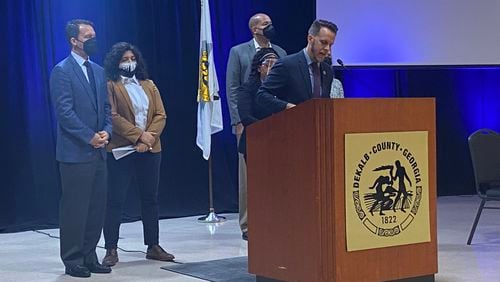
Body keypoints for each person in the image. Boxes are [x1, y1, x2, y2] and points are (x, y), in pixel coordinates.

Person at [101, 42, 173, 266]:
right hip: (123, 150)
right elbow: (113, 116)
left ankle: (153, 245)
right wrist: (138, 137)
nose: (129, 62)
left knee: (150, 198)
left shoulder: (148, 84)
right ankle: (111, 248)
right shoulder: (111, 85)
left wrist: (149, 137)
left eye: (132, 58)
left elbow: (160, 114)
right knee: (115, 200)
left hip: (151, 150)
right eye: (125, 59)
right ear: (116, 62)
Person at [49, 19, 112, 278]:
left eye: (94, 35)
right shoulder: (62, 71)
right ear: (74, 40)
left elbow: (106, 108)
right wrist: (89, 137)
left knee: (97, 207)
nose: (93, 40)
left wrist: (106, 130)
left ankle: (89, 255)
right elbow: (65, 112)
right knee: (76, 208)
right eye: (88, 36)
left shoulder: (98, 70)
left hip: (99, 152)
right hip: (76, 153)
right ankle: (73, 258)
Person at [226, 13, 287, 240]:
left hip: (276, 124)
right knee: (247, 175)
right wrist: (237, 121)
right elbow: (233, 88)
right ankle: (247, 224)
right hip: (247, 120)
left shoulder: (280, 52)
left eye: (271, 23)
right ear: (254, 29)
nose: (270, 27)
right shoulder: (239, 52)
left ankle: (276, 217)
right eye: (265, 24)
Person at [256, 19, 338, 113]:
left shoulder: (327, 70)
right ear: (310, 39)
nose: (327, 49)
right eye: (323, 42)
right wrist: (289, 107)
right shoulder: (287, 65)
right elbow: (262, 95)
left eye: (330, 45)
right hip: (292, 124)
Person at [237, 48, 280, 158]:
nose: (272, 69)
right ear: (259, 68)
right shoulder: (247, 89)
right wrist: (270, 128)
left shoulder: (283, 88)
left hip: (280, 141)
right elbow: (246, 117)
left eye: (276, 65)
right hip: (255, 140)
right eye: (268, 65)